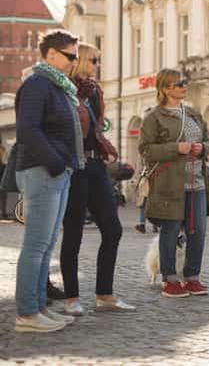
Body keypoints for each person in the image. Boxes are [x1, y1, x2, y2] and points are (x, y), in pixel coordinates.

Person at [14, 29, 83, 332]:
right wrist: (56, 162)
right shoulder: (37, 84)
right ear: (52, 54)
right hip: (43, 171)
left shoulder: (58, 86)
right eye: (71, 56)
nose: (74, 62)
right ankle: (27, 313)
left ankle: (39, 306)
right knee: (36, 245)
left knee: (47, 244)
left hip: (58, 171)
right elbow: (29, 129)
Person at [59, 43, 134, 315]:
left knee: (113, 229)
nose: (96, 65)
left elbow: (96, 127)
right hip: (74, 166)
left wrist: (106, 147)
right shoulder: (64, 91)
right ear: (79, 61)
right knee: (74, 232)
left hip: (96, 164)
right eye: (93, 60)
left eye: (98, 61)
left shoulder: (95, 92)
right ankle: (71, 298)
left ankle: (105, 294)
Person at [139, 69, 209, 298]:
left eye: (184, 83)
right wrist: (176, 148)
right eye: (178, 84)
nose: (184, 87)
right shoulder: (154, 117)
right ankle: (170, 279)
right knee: (171, 229)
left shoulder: (193, 114)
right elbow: (145, 150)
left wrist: (202, 148)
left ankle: (192, 277)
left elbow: (208, 141)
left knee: (198, 231)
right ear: (165, 89)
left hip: (197, 182)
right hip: (169, 184)